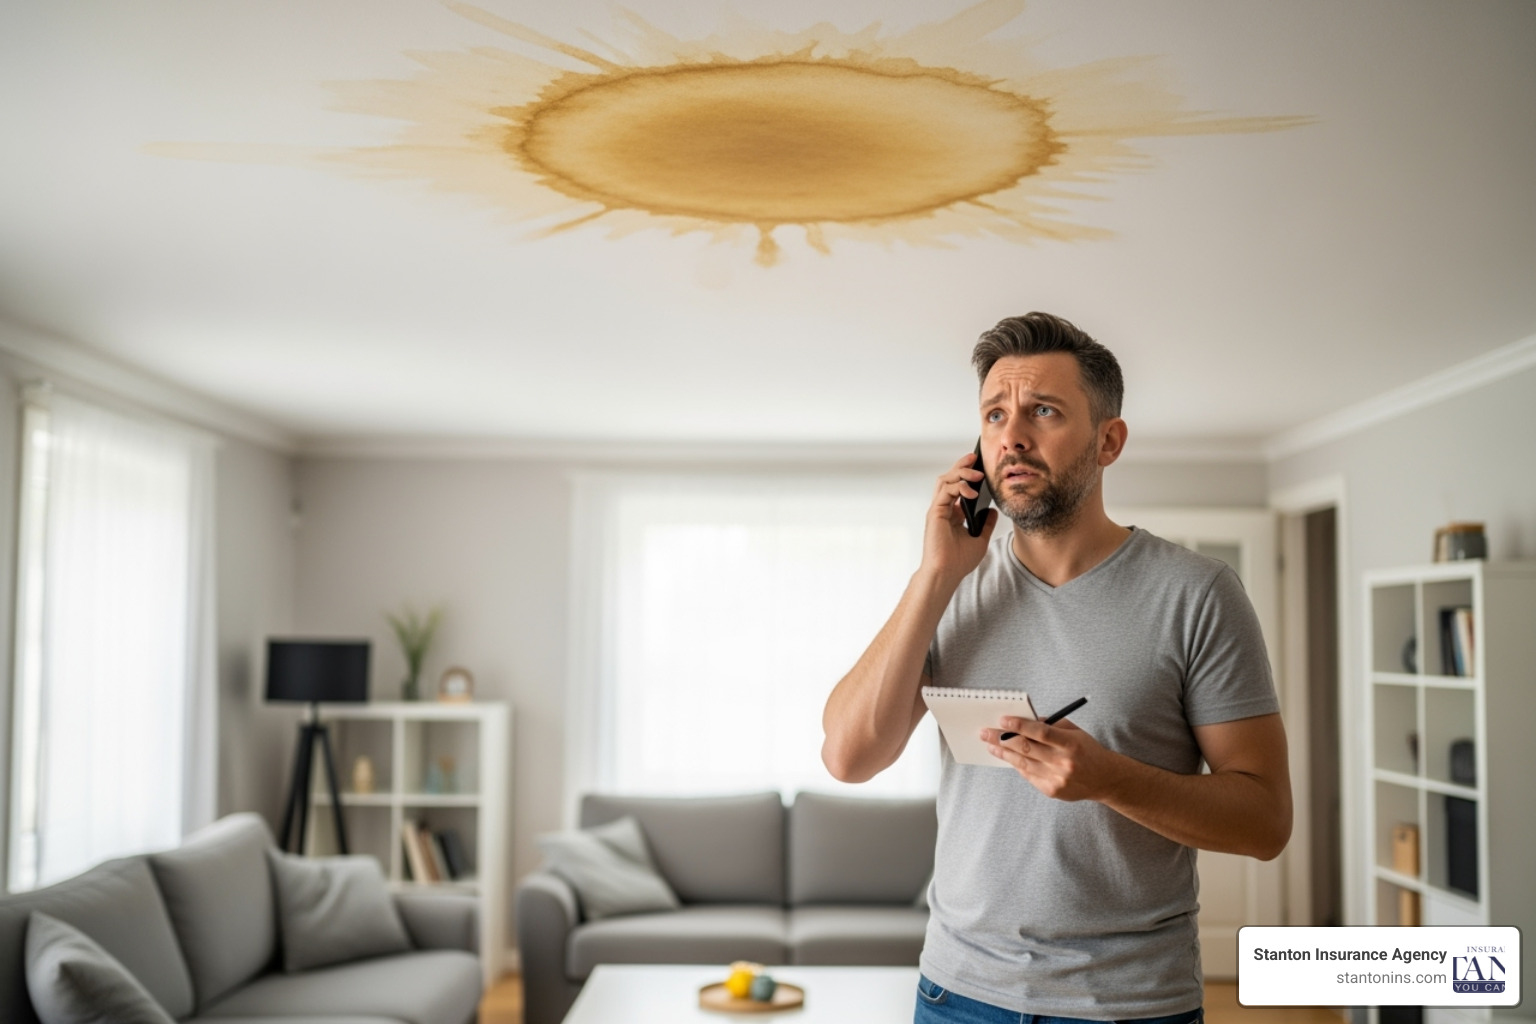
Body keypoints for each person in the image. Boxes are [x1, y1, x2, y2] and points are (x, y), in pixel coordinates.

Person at [821, 312, 1291, 1023]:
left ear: (1109, 441)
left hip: (1130, 1004)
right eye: (994, 414)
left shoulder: (1197, 594)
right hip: (956, 995)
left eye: (1043, 411)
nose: (1012, 434)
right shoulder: (950, 587)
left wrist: (1109, 779)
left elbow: (1265, 822)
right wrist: (934, 575)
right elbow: (849, 756)